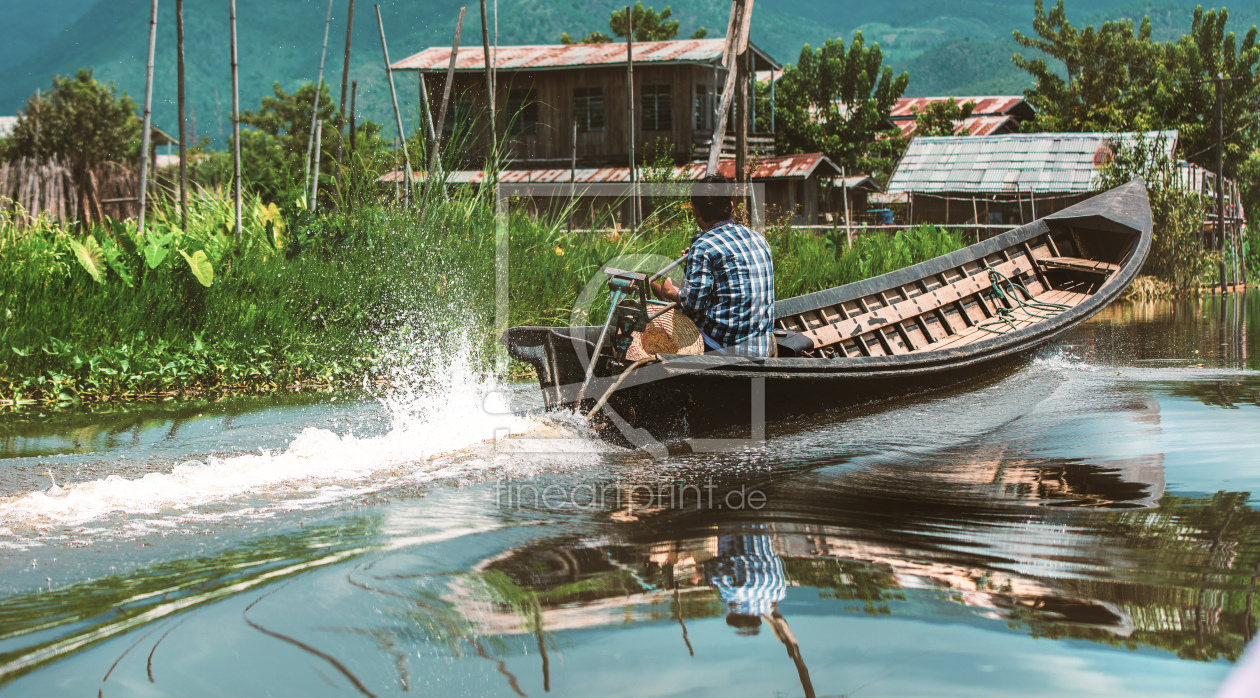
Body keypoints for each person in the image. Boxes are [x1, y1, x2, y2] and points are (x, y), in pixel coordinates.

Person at [649, 174, 775, 357]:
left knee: (670, 297)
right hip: (762, 346)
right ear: (731, 205)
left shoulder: (703, 245)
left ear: (696, 211)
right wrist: (692, 264)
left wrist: (672, 291)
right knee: (676, 295)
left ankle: (662, 293)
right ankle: (661, 293)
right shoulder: (759, 239)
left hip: (725, 347)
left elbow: (693, 305)